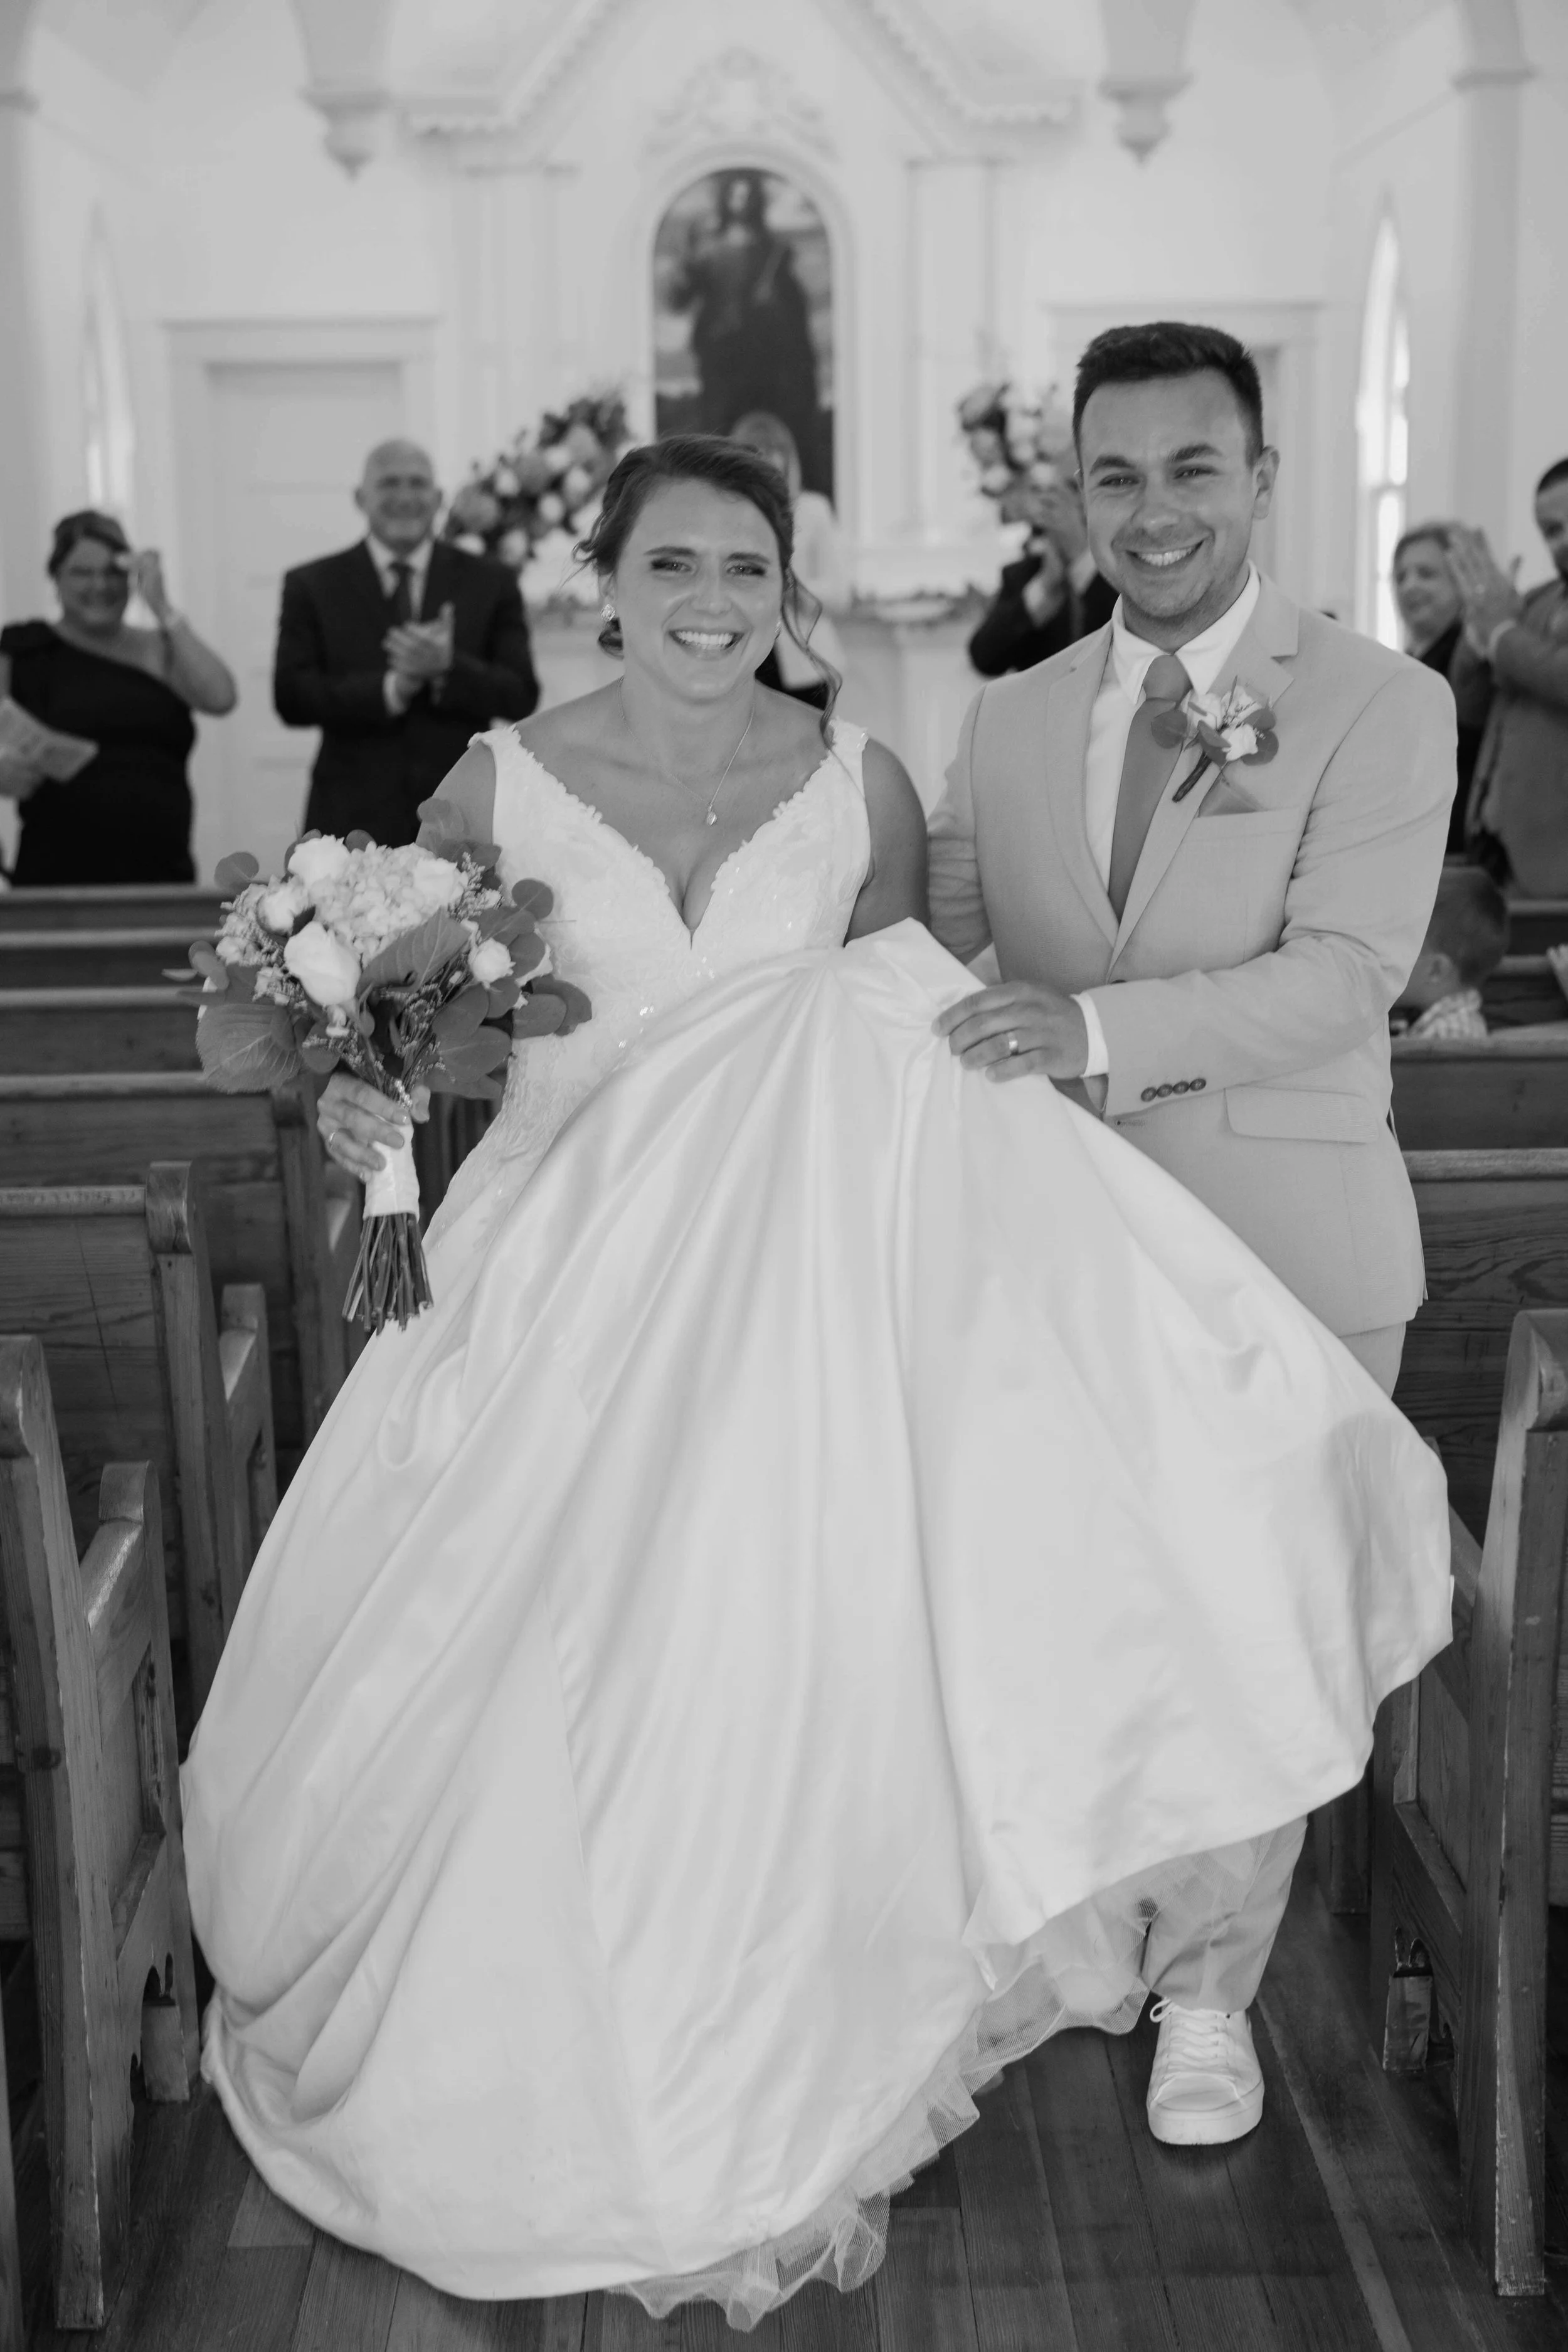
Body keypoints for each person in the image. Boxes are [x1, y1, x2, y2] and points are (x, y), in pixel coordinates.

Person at [181, 435, 1448, 2328]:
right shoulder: (490, 776)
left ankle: (848, 1967)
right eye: (673, 565)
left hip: (790, 1305)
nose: (712, 601)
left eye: (748, 569)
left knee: (795, 1645)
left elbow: (900, 1037)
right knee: (548, 1666)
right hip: (559, 1288)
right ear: (599, 584)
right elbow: (406, 1019)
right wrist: (359, 1083)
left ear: (788, 588)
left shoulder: (853, 781)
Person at [928, 320, 1454, 2148]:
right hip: (1060, 1263)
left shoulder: (1381, 704)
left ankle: (1207, 1994)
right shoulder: (1002, 716)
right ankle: (1085, 1933)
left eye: (1188, 468)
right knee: (1087, 1617)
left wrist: (1086, 1030)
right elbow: (924, 946)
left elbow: (1341, 980)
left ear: (1257, 476)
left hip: (1287, 1252)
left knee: (1251, 1631)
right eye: (1113, 475)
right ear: (1069, 490)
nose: (1149, 513)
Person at [273, 439, 539, 847]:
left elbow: (520, 694)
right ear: (361, 498)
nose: (404, 497)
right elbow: (291, 697)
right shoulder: (312, 585)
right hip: (348, 818)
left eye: (417, 484)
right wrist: (391, 688)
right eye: (389, 484)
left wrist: (448, 666)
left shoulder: (490, 581)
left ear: (438, 499)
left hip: (462, 813)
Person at [0, 509, 236, 884]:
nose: (100, 585)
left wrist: (162, 606)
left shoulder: (159, 648)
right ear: (56, 577)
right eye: (83, 572)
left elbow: (221, 696)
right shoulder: (23, 649)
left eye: (114, 572)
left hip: (161, 868)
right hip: (56, 873)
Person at [1447, 460, 1568, 890]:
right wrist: (1476, 627)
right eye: (1553, 530)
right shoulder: (1534, 601)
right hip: (1497, 844)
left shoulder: (1514, 622)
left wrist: (1500, 634)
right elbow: (1469, 705)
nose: (1563, 541)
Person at [665, 172, 827, 492]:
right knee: (718, 433)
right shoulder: (708, 250)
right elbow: (678, 299)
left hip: (766, 359)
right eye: (734, 195)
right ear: (725, 199)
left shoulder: (772, 251)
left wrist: (773, 304)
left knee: (767, 431)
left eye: (747, 195)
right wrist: (686, 262)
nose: (740, 202)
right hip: (722, 359)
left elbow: (794, 311)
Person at [729, 409, 849, 707]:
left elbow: (839, 595)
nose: (769, 460)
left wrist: (788, 584)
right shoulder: (727, 517)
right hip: (743, 660)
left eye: (776, 452)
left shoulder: (813, 509)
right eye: (758, 453)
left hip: (805, 661)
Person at [1391, 522, 1488, 852]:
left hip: (1453, 841)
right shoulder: (1407, 661)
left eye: (1426, 574)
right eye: (1401, 576)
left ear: (1463, 579)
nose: (1410, 586)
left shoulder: (1473, 657)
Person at [968, 480, 1117, 678]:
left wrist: (1081, 559)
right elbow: (985, 658)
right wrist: (1044, 587)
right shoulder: (1022, 576)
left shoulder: (1118, 572)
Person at [1390, 866, 1510, 1039]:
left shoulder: (1446, 1035)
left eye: (1399, 944)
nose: (1385, 955)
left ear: (1435, 970)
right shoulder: (1436, 1021)